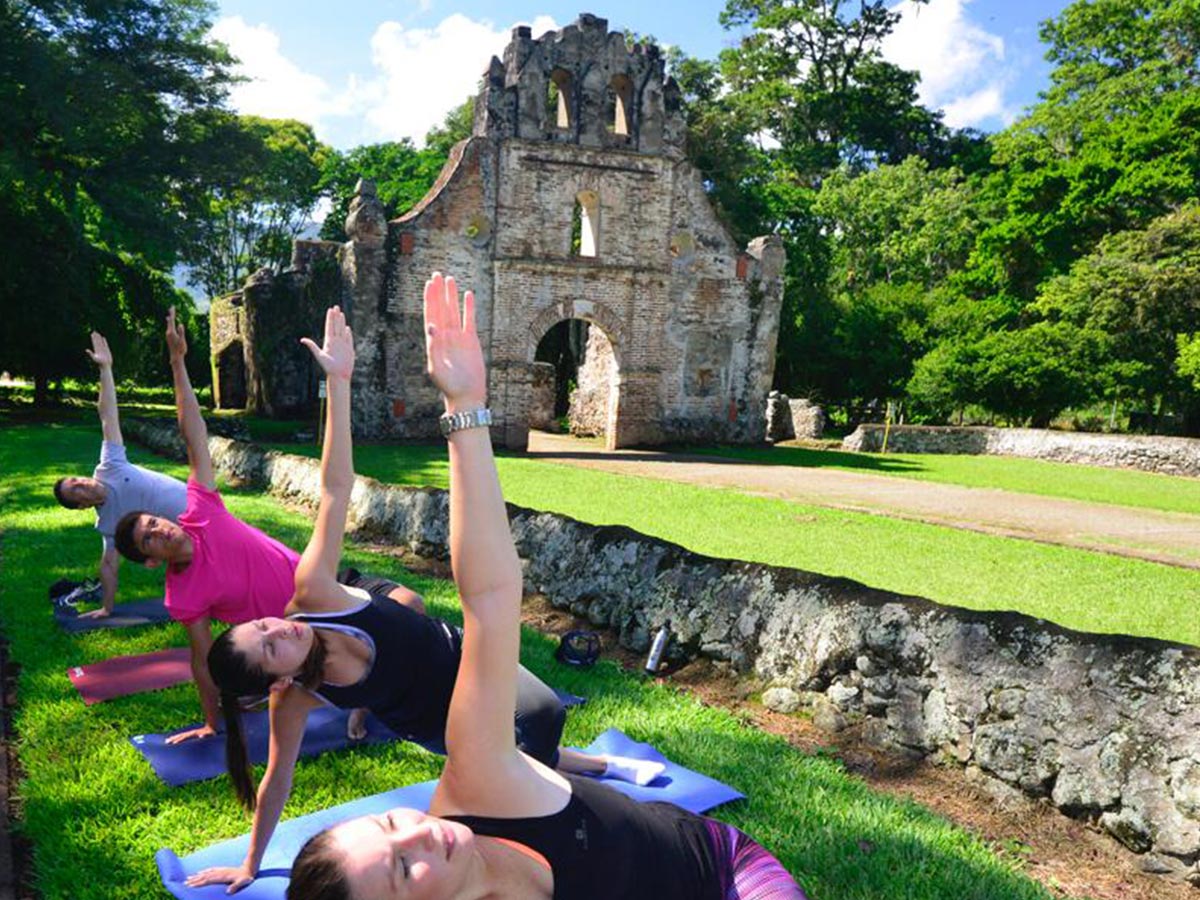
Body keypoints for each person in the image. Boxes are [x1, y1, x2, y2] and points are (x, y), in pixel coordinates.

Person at [281, 273, 807, 900]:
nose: (421, 833)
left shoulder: (474, 781)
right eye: (401, 869)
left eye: (391, 821)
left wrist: (464, 412)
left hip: (724, 868)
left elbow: (491, 599)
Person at [186, 304, 664, 895]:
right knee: (526, 755)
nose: (279, 631)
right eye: (270, 651)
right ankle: (599, 787)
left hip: (461, 658)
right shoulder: (296, 700)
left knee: (544, 714)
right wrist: (252, 862)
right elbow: (276, 781)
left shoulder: (314, 593)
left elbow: (336, 489)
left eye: (263, 626)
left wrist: (337, 382)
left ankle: (599, 770)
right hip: (436, 723)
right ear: (276, 683)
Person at [113, 308, 422, 744]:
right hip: (296, 635)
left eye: (153, 521)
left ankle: (361, 700)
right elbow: (201, 660)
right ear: (149, 561)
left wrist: (178, 363)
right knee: (347, 661)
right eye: (149, 537)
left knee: (412, 604)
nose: (159, 529)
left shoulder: (201, 511)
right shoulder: (182, 594)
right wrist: (210, 721)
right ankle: (355, 700)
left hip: (327, 586)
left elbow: (193, 435)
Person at [52, 332, 187, 619]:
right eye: (75, 491)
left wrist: (105, 369)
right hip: (182, 534)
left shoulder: (109, 464)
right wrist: (108, 607)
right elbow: (109, 565)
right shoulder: (108, 522)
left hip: (202, 503)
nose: (81, 484)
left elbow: (107, 415)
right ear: (81, 506)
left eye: (76, 479)